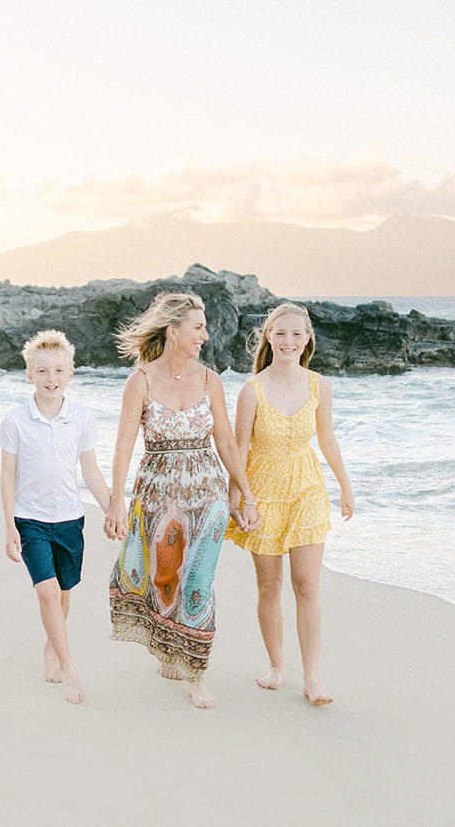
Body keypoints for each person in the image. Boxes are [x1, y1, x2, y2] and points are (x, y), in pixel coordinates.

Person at [103, 292, 260, 709]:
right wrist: (116, 501)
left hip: (206, 491)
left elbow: (226, 442)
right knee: (165, 576)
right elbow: (123, 446)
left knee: (200, 579)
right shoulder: (140, 381)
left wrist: (245, 493)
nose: (205, 336)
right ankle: (171, 648)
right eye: (198, 328)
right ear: (173, 333)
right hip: (157, 493)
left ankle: (195, 671)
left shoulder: (210, 379)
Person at [225, 302, 354, 705]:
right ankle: (277, 666)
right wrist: (237, 498)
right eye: (281, 333)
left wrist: (345, 487)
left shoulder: (319, 385)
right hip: (261, 493)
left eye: (297, 334)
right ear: (268, 336)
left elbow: (328, 439)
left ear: (308, 339)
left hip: (307, 489)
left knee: (307, 584)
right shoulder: (252, 390)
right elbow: (238, 448)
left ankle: (312, 678)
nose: (289, 341)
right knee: (270, 585)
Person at [0, 329, 110, 705]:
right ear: (29, 374)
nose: (51, 379)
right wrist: (11, 524)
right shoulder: (15, 421)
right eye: (42, 371)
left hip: (70, 519)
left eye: (58, 371)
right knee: (46, 593)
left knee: (62, 595)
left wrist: (112, 509)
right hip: (30, 521)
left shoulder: (81, 418)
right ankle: (69, 665)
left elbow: (90, 471)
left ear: (71, 374)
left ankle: (50, 646)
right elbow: (8, 475)